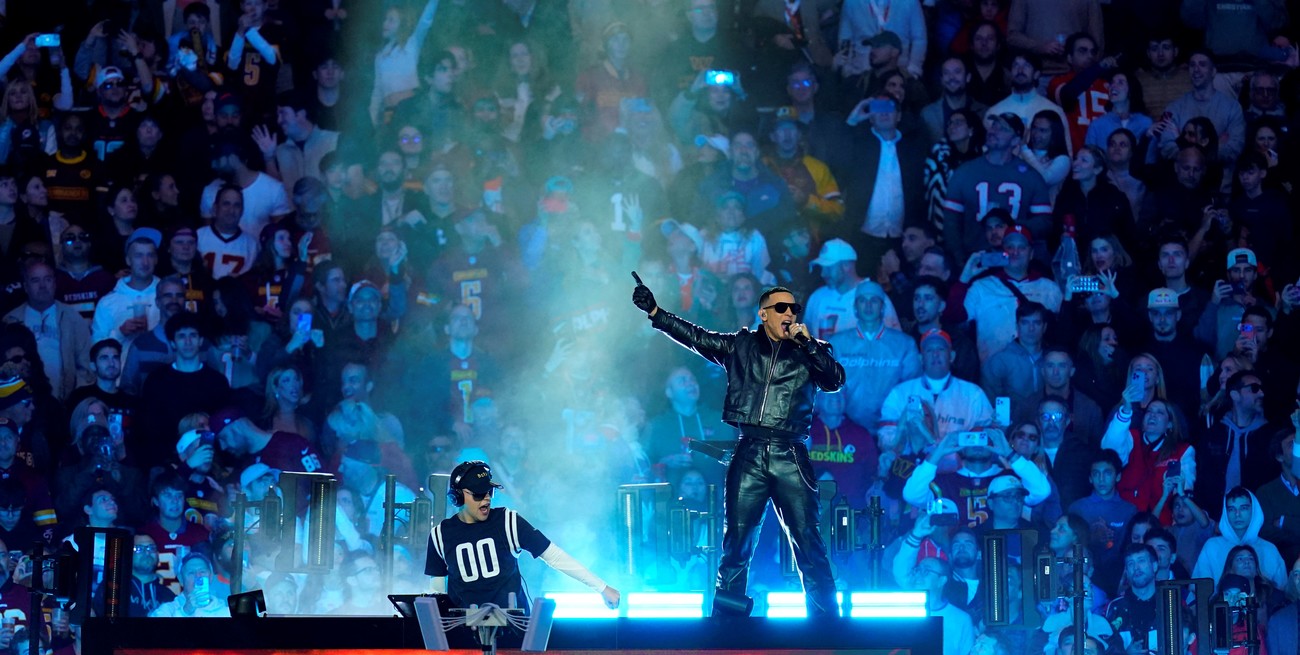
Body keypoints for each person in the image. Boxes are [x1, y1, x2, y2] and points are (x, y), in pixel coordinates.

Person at [632, 278, 844, 616]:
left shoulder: (812, 350)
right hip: (749, 451)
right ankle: (728, 626)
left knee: (808, 541)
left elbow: (834, 380)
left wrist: (808, 344)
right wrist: (657, 313)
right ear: (764, 314)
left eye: (794, 308)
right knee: (736, 545)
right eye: (781, 308)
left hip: (790, 453)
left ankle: (827, 626)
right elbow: (697, 338)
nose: (789, 313)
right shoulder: (741, 346)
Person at [426, 461, 620, 613]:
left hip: (514, 629)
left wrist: (602, 588)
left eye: (489, 492)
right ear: (458, 496)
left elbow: (554, 556)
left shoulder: (508, 521)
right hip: (463, 635)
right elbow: (438, 592)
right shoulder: (440, 535)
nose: (486, 498)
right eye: (478, 494)